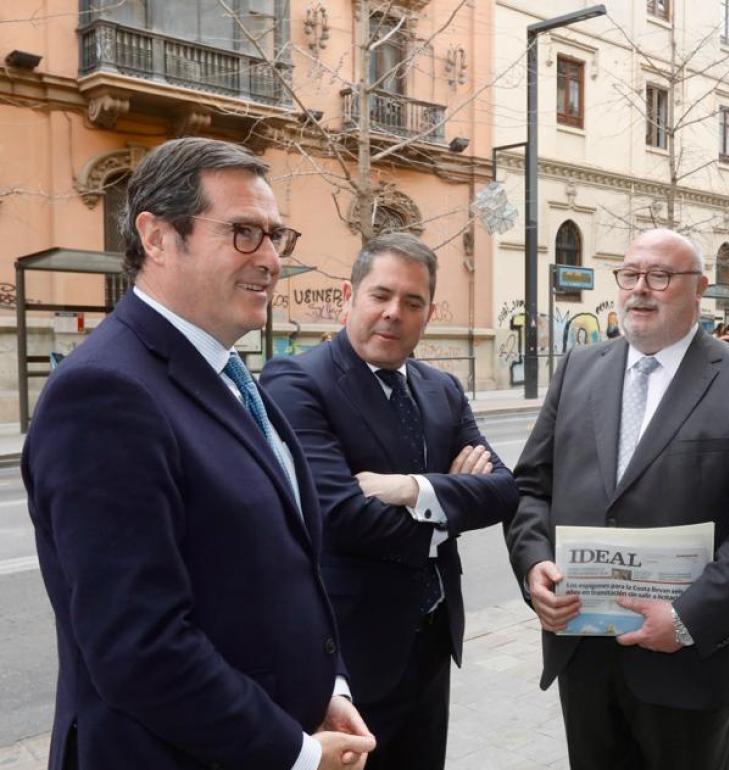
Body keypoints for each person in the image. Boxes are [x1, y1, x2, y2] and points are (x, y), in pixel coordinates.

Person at [21, 138, 375, 770]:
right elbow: (139, 647)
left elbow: (279, 572)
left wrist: (329, 690)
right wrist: (294, 753)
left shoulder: (226, 373)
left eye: (275, 235)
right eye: (243, 232)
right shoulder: (105, 393)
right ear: (156, 237)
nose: (269, 259)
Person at [507, 228, 729, 770]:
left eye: (660, 276)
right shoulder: (577, 368)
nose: (640, 289)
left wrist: (686, 618)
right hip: (584, 654)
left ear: (699, 289)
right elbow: (529, 489)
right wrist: (532, 566)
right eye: (630, 275)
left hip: (687, 662)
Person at [262, 233, 518, 770]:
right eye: (380, 295)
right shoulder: (296, 382)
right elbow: (341, 517)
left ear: (428, 313)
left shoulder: (441, 387)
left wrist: (413, 489)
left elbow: (502, 491)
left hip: (430, 642)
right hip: (347, 657)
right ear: (347, 297)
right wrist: (452, 500)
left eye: (413, 301)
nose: (393, 313)